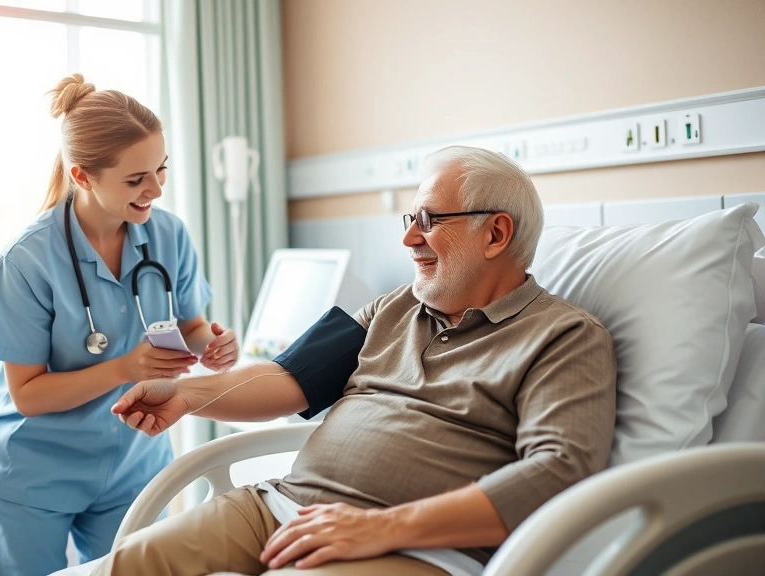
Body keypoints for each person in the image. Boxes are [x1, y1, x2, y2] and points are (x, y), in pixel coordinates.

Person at [94, 145, 617, 576]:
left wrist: (380, 528)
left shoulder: (564, 337)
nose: (409, 238)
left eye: (429, 221)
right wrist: (187, 395)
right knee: (130, 564)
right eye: (411, 218)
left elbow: (559, 474)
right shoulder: (393, 307)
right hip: (281, 507)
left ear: (496, 234)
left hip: (415, 548)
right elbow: (288, 376)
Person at [0, 74, 239, 576]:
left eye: (161, 170)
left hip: (134, 462)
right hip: (36, 470)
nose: (156, 189)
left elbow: (192, 325)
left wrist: (213, 344)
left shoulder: (168, 235)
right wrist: (124, 368)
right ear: (82, 176)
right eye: (137, 179)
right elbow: (27, 394)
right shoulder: (27, 261)